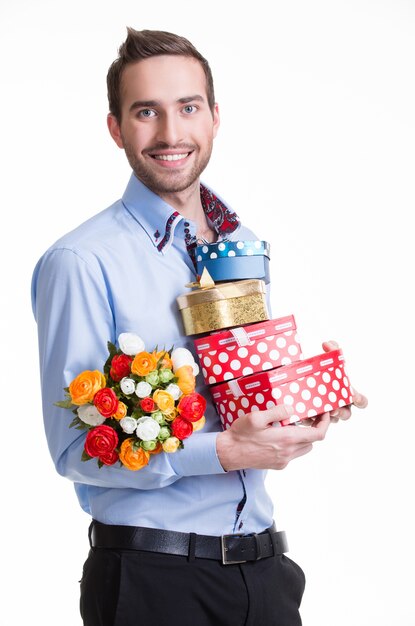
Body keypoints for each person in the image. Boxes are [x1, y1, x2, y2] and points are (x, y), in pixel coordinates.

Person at [31, 28, 368, 626]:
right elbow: (75, 447)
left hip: (265, 574)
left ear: (214, 118)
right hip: (152, 582)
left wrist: (303, 399)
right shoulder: (81, 262)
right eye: (145, 112)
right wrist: (222, 451)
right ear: (116, 128)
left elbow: (238, 391)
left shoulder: (240, 244)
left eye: (187, 107)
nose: (170, 133)